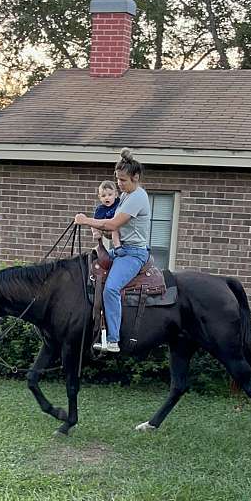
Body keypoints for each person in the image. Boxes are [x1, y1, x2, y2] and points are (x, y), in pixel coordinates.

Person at [75, 148, 151, 353]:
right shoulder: (126, 195)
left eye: (123, 180)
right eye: (117, 179)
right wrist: (101, 233)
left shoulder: (137, 197)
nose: (119, 184)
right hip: (120, 250)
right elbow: (114, 230)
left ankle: (114, 340)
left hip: (134, 254)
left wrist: (86, 221)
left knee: (111, 288)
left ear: (135, 177)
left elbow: (112, 224)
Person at [92, 180, 121, 250]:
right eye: (103, 196)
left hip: (116, 228)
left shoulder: (118, 202)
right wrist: (95, 231)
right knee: (94, 224)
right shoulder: (100, 209)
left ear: (116, 194)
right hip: (105, 229)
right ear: (99, 197)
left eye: (110, 195)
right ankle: (100, 245)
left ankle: (117, 246)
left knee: (115, 227)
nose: (107, 198)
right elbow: (94, 222)